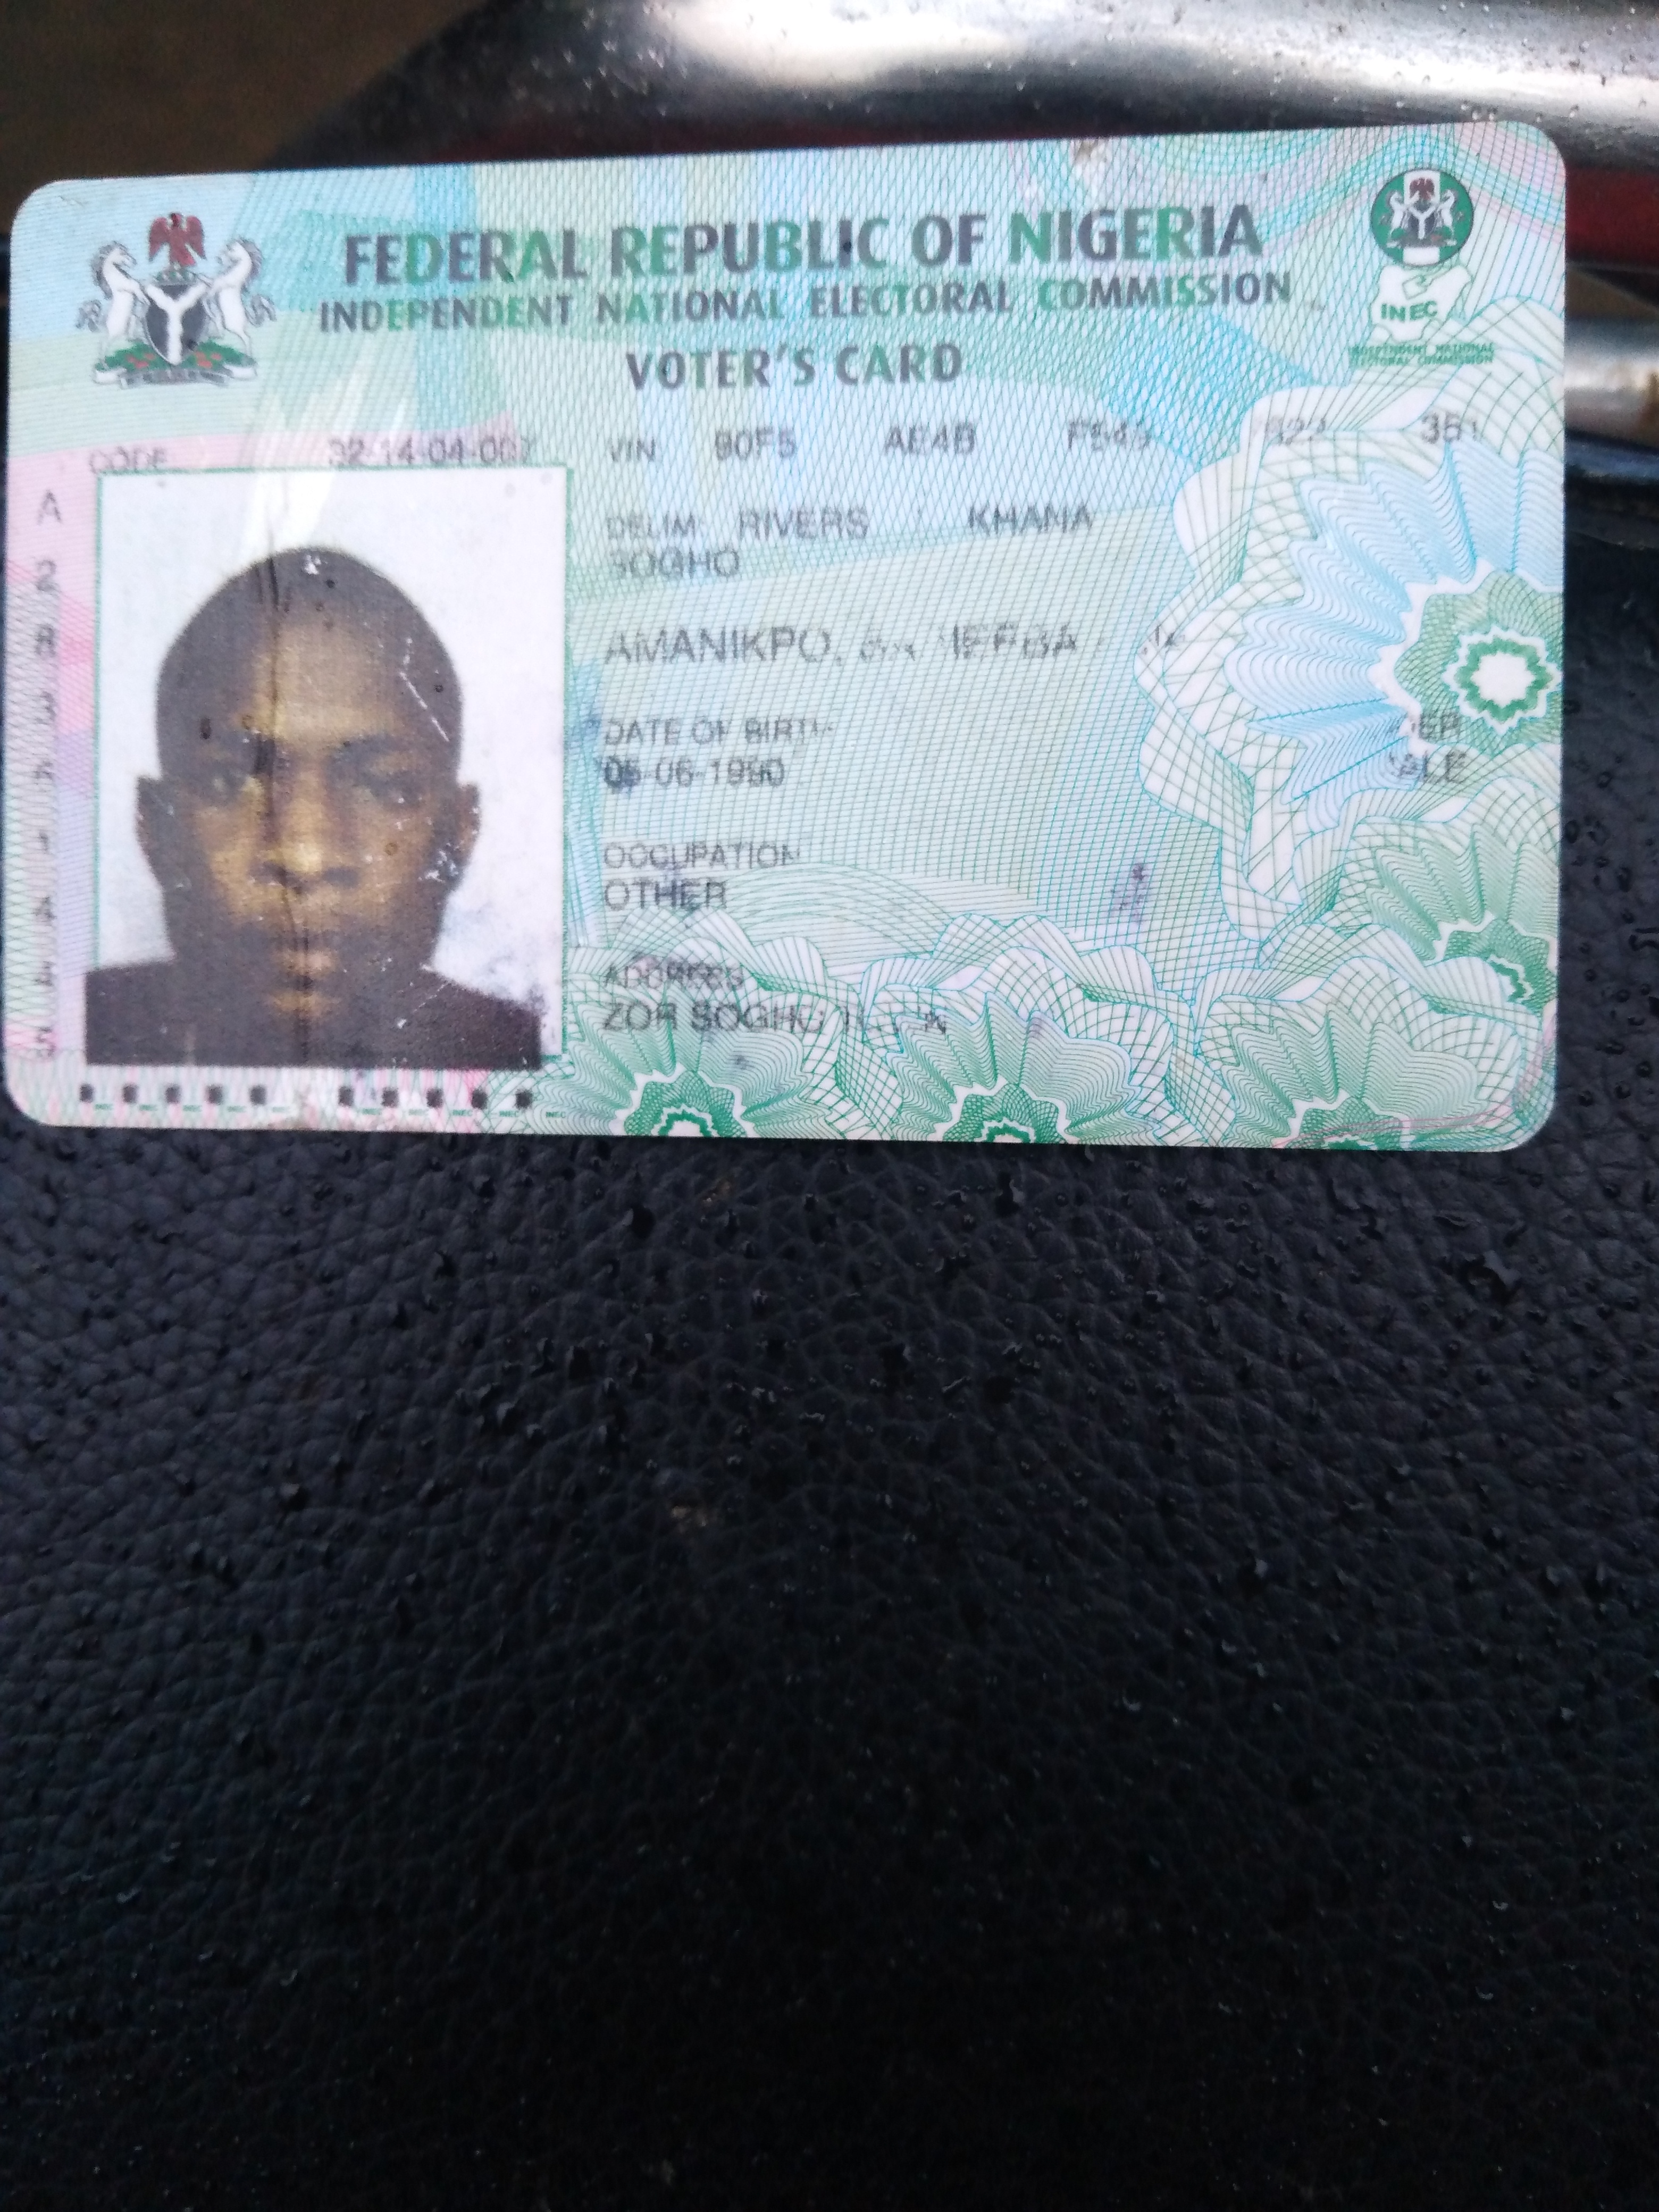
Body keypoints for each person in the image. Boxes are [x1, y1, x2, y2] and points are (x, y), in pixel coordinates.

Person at [85, 546, 541, 1069]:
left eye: (386, 787)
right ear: (156, 828)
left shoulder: (528, 1056)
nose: (305, 856)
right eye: (228, 782)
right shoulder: (76, 1034)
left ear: (457, 834)